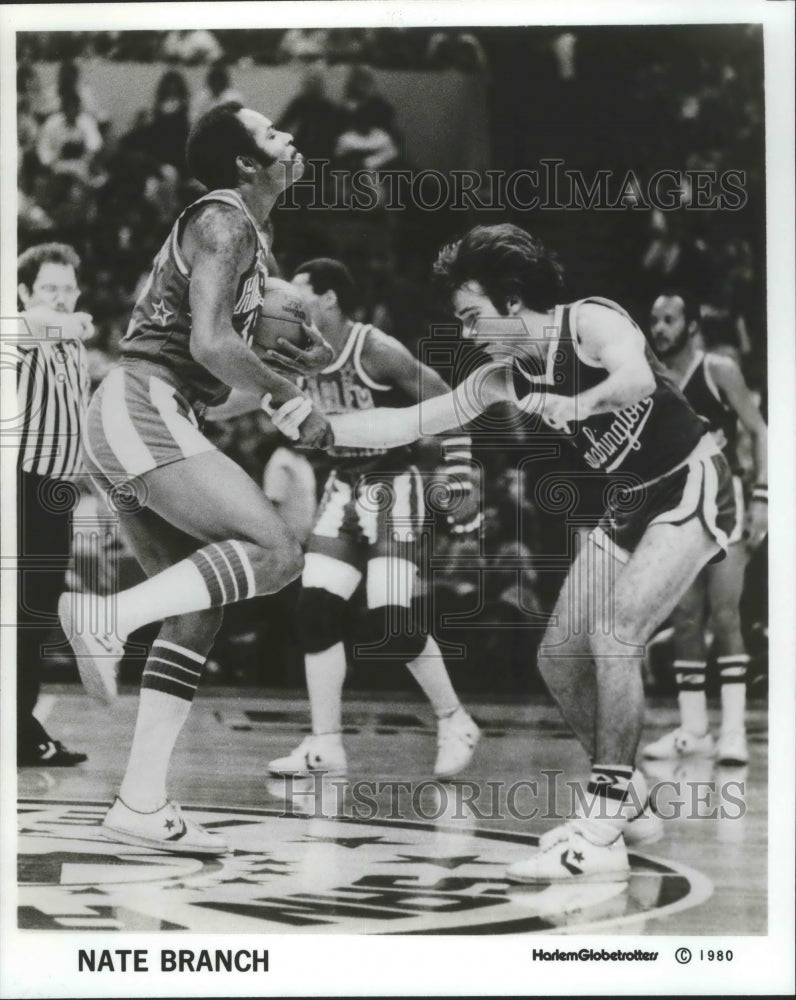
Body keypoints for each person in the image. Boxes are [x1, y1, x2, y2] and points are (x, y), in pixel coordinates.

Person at [322, 224, 737, 883]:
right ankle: (627, 800)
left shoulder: (590, 321)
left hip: (693, 476)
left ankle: (600, 828)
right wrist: (322, 424)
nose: (464, 333)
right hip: (629, 502)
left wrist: (576, 404)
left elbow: (635, 381)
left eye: (471, 315)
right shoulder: (500, 379)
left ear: (512, 300)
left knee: (615, 634)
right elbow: (407, 422)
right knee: (559, 657)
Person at [59, 102, 334, 856]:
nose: (291, 137)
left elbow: (219, 378)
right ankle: (106, 619)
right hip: (139, 403)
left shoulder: (252, 238)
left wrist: (279, 368)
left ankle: (141, 803)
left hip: (145, 412)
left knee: (200, 606)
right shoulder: (225, 222)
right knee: (277, 554)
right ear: (246, 162)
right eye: (275, 133)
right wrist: (290, 397)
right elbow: (211, 343)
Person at [264, 258, 481, 779]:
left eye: (300, 294)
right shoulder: (295, 353)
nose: (290, 306)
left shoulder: (376, 348)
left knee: (391, 621)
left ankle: (455, 720)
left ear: (330, 298)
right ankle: (325, 745)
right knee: (314, 612)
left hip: (393, 489)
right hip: (342, 487)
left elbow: (450, 401)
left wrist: (458, 471)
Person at [643, 290, 767, 765]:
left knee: (725, 613)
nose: (659, 329)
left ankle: (732, 731)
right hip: (678, 507)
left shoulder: (718, 370)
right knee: (686, 618)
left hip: (726, 501)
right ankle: (694, 730)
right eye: (654, 320)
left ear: (692, 325)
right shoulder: (650, 381)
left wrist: (763, 498)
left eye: (670, 319)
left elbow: (759, 429)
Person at [15, 243, 94, 766]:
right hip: (18, 489)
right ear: (24, 293)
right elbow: (29, 327)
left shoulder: (75, 350)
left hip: (55, 495)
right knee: (17, 616)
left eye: (68, 289)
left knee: (34, 617)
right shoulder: (20, 334)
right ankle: (21, 730)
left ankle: (21, 726)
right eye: (50, 289)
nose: (61, 300)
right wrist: (74, 320)